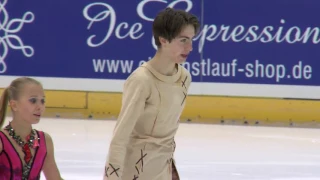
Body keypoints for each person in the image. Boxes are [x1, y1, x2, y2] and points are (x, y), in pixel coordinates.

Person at [104, 7, 200, 180]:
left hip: (163, 169)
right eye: (183, 40)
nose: (190, 47)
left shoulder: (184, 77)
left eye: (191, 40)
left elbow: (167, 134)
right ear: (163, 40)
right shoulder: (141, 80)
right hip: (135, 170)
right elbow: (120, 136)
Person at [0, 77, 63, 180]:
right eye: (33, 101)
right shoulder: (2, 140)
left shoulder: (45, 141)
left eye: (42, 101)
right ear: (14, 105)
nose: (40, 107)